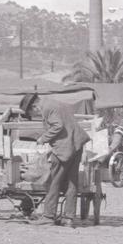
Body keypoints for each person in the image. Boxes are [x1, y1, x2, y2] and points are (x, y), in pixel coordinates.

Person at [30, 95, 91, 227]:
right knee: (72, 182)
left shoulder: (47, 107)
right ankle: (69, 218)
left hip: (65, 147)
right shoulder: (54, 103)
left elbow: (58, 125)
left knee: (53, 181)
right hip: (76, 144)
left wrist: (43, 138)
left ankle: (48, 216)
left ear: (34, 106)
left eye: (32, 113)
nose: (36, 114)